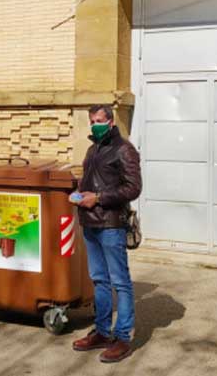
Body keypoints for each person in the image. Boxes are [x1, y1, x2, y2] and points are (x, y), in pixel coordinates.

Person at [70, 104, 141, 363]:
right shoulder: (92, 149)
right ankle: (101, 331)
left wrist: (98, 198)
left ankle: (122, 337)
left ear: (110, 122)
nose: (94, 124)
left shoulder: (124, 149)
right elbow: (91, 180)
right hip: (90, 223)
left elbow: (133, 188)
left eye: (98, 120)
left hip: (111, 224)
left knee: (120, 282)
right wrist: (79, 192)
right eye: (91, 120)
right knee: (99, 280)